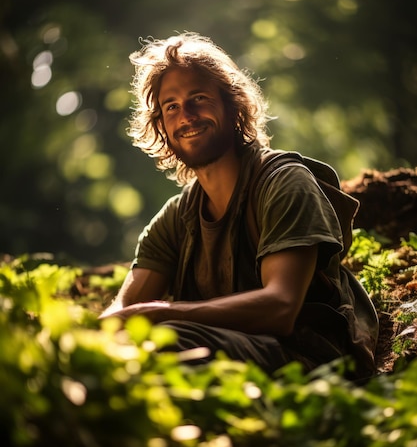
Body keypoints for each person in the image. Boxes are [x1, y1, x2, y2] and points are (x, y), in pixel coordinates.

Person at [100, 32, 379, 382]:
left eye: (198, 98)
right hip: (229, 351)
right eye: (171, 106)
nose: (186, 115)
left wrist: (160, 315)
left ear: (232, 106)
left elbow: (280, 307)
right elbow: (123, 312)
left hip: (307, 360)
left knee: (167, 341)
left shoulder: (283, 183)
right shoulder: (176, 218)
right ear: (161, 126)